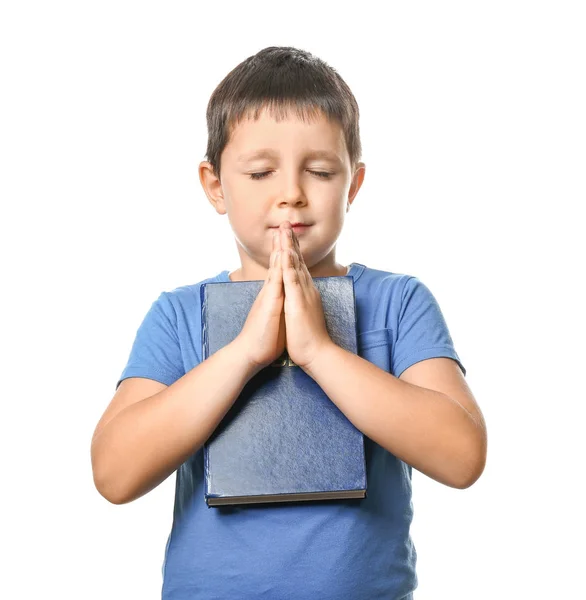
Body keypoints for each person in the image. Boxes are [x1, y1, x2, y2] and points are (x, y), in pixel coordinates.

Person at [91, 46, 487, 600]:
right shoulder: (178, 314)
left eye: (321, 171)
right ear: (215, 185)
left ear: (352, 184)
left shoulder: (398, 301)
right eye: (260, 172)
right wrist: (244, 354)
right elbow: (114, 474)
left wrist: (321, 352)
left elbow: (462, 456)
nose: (291, 193)